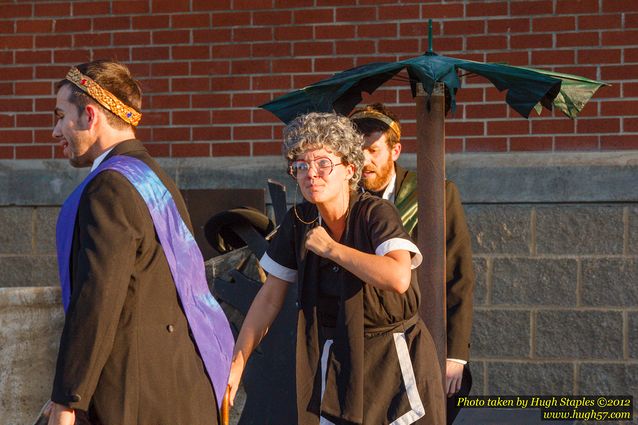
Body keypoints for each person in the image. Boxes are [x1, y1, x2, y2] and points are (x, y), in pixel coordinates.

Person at [47, 60, 233, 425]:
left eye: (59, 116)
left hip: (134, 395)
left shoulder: (109, 187)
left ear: (89, 115)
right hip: (181, 384)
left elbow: (97, 297)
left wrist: (67, 400)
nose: (55, 131)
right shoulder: (155, 179)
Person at [228, 112, 445, 424]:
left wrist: (333, 250)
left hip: (394, 358)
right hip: (339, 360)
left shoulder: (376, 213)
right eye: (300, 165)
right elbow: (269, 297)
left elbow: (398, 277)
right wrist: (239, 362)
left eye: (323, 163)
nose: (310, 173)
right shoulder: (299, 221)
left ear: (350, 169)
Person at [350, 103, 475, 425]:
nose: (365, 160)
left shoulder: (433, 194)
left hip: (423, 336)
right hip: (367, 344)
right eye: (357, 151)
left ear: (395, 151)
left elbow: (458, 274)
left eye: (373, 150)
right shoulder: (344, 199)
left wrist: (454, 354)